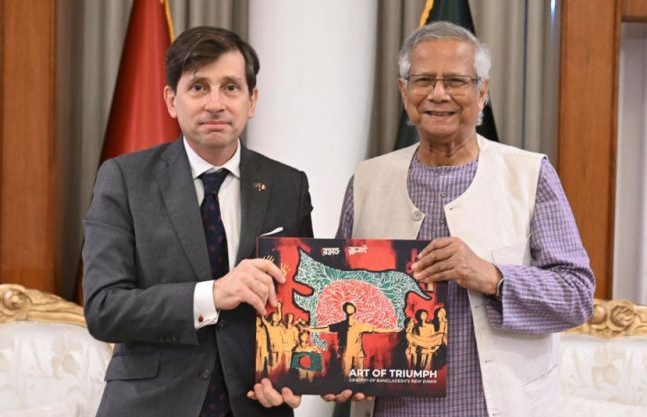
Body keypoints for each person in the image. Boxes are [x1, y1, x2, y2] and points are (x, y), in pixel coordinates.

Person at [327, 21, 595, 417]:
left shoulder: (528, 175)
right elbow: (342, 292)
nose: (438, 94)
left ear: (482, 91)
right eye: (423, 80)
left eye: (455, 81)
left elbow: (577, 296)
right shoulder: (367, 180)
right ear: (404, 92)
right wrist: (335, 369)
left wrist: (491, 276)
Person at [82, 26, 312, 417]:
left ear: (252, 100)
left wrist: (295, 376)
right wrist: (212, 295)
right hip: (151, 406)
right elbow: (104, 309)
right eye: (199, 88)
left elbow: (298, 304)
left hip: (254, 405)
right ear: (172, 100)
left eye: (230, 88)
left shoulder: (288, 185)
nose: (215, 104)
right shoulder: (124, 179)